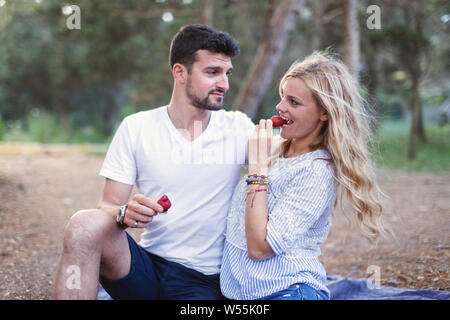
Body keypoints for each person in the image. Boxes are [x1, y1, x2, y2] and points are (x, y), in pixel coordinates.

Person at [53, 24, 255, 300]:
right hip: (145, 268)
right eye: (212, 72)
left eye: (227, 73)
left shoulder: (239, 128)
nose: (225, 84)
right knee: (83, 225)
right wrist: (124, 213)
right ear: (180, 72)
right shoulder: (136, 127)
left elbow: (295, 148)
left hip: (202, 281)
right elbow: (108, 206)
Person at [220, 51, 386, 300]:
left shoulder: (316, 172)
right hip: (245, 295)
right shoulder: (276, 151)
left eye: (294, 102)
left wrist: (256, 170)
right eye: (282, 97)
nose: (280, 107)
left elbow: (260, 248)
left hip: (288, 291)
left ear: (325, 113)